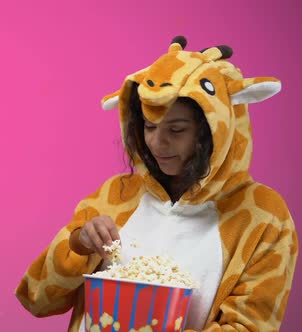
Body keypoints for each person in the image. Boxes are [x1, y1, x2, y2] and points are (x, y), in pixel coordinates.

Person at [16, 36, 298, 331]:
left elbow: (249, 326)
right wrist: (78, 244)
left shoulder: (264, 216)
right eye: (149, 126)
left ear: (215, 130)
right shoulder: (115, 195)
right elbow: (37, 298)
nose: (156, 143)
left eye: (176, 130)